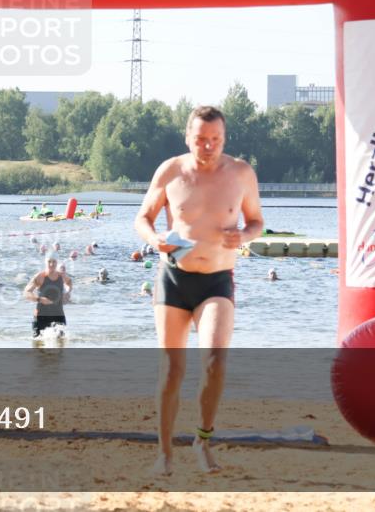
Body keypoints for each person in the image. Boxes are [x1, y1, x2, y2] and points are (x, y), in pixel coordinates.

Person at [134, 105, 263, 476]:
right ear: (188, 137)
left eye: (216, 140)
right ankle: (164, 454)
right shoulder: (171, 171)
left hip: (218, 280)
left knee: (214, 361)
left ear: (224, 138)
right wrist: (155, 238)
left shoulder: (240, 173)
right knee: (172, 370)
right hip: (174, 279)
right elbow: (143, 217)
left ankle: (202, 441)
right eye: (201, 139)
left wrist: (245, 235)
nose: (208, 146)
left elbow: (256, 222)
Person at [23, 256, 72, 338]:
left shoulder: (61, 276)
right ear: (45, 262)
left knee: (61, 346)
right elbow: (26, 292)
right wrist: (39, 299)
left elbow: (69, 282)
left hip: (58, 315)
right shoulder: (40, 277)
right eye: (49, 261)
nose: (51, 264)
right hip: (41, 316)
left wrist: (67, 293)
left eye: (54, 262)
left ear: (57, 263)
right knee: (38, 346)